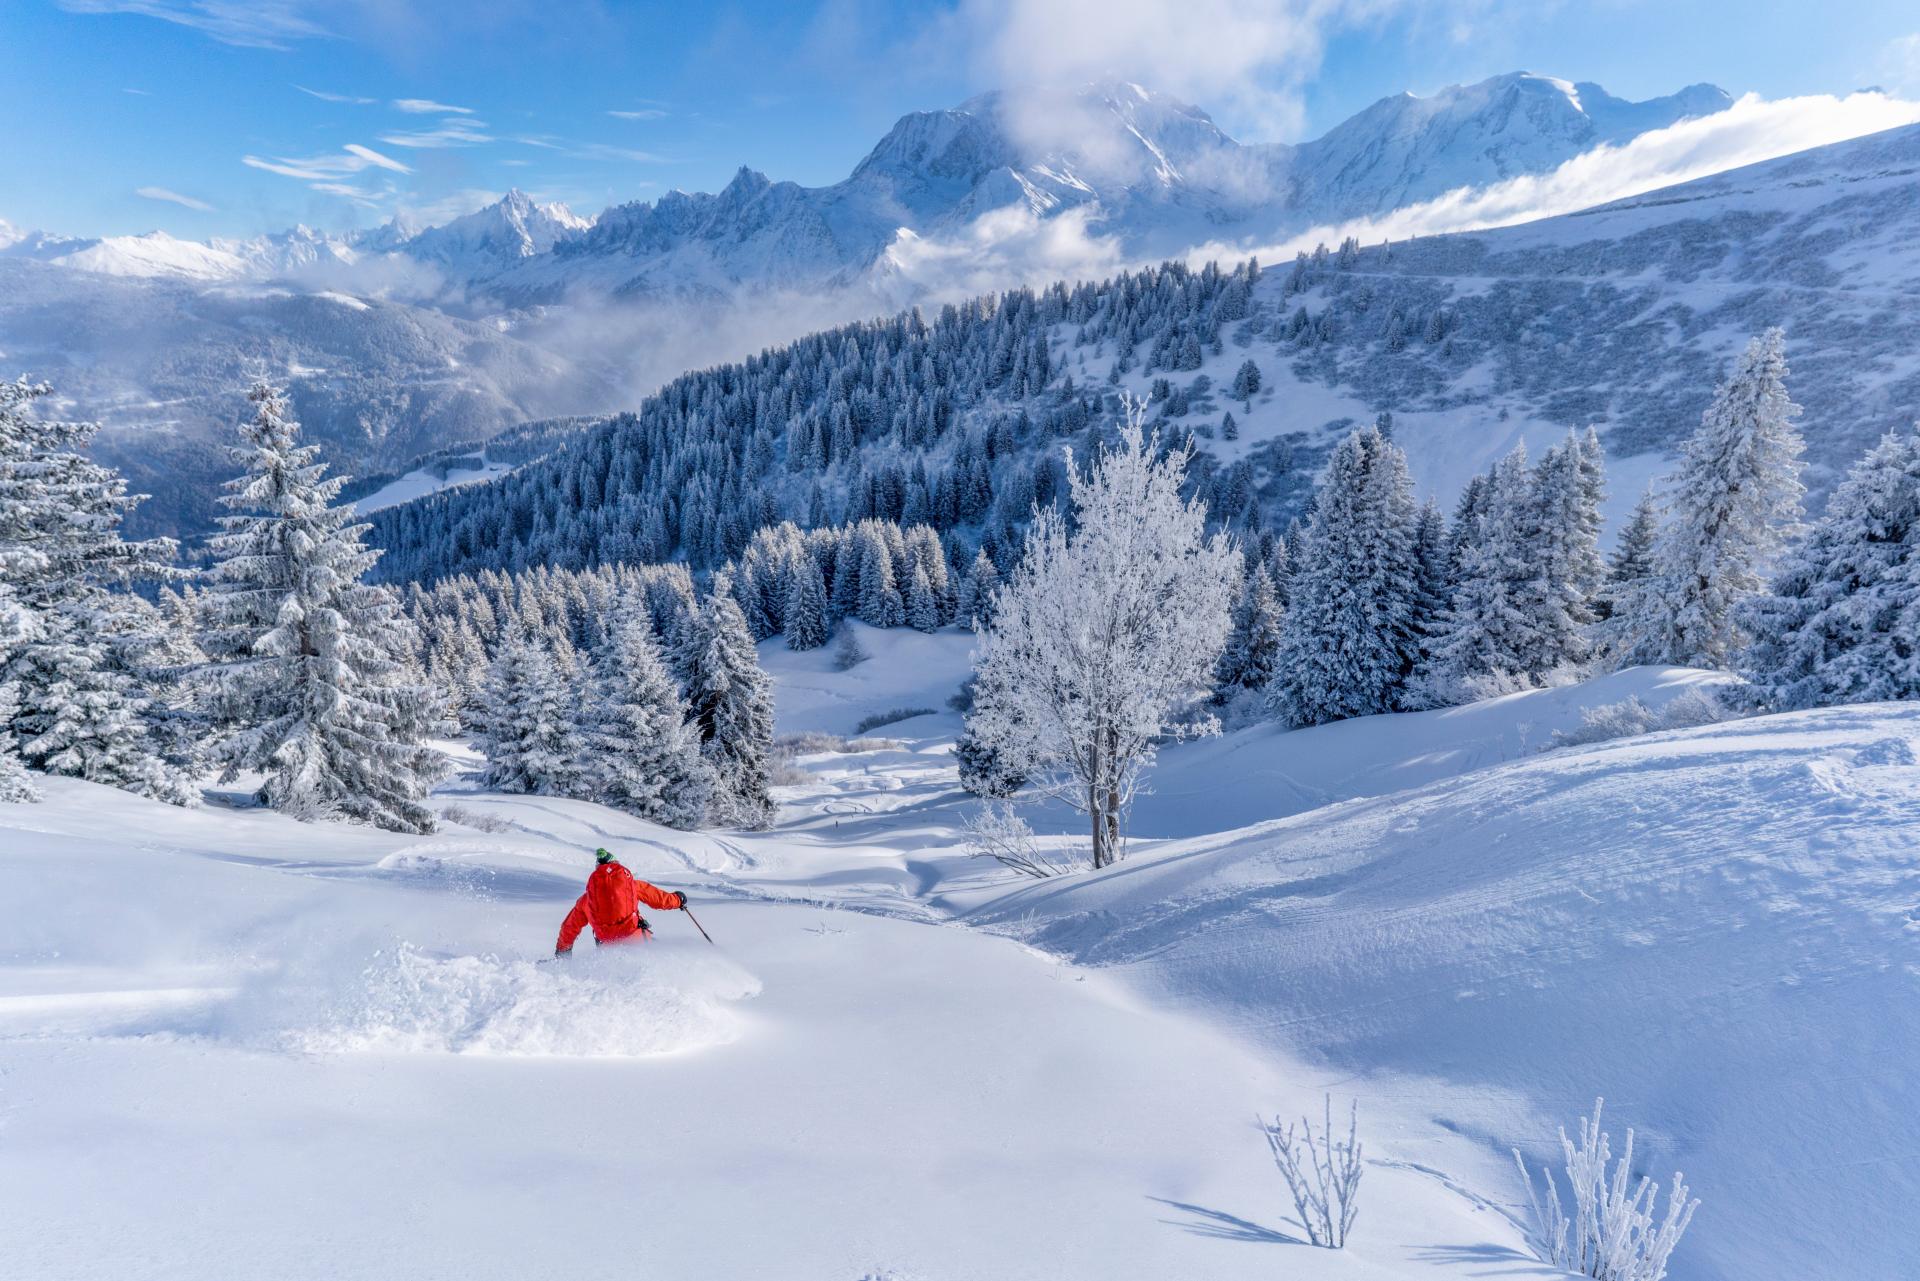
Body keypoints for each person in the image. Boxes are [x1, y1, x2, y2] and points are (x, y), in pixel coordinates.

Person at [554, 848, 689, 956]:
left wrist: (562, 951)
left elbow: (570, 927)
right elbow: (660, 900)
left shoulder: (587, 899)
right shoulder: (633, 886)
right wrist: (678, 899)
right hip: (636, 939)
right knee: (663, 953)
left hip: (607, 947)